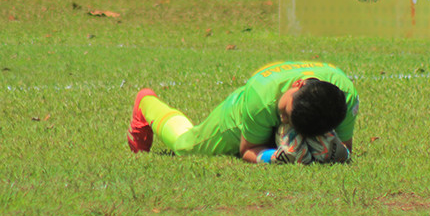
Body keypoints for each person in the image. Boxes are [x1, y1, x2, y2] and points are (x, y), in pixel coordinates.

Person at [128, 61, 359, 163]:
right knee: (184, 146)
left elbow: (345, 147)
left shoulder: (345, 96)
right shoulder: (260, 97)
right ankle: (146, 102)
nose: (284, 119)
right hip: (239, 114)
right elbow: (247, 150)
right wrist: (273, 158)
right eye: (288, 112)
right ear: (298, 85)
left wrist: (337, 154)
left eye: (290, 121)